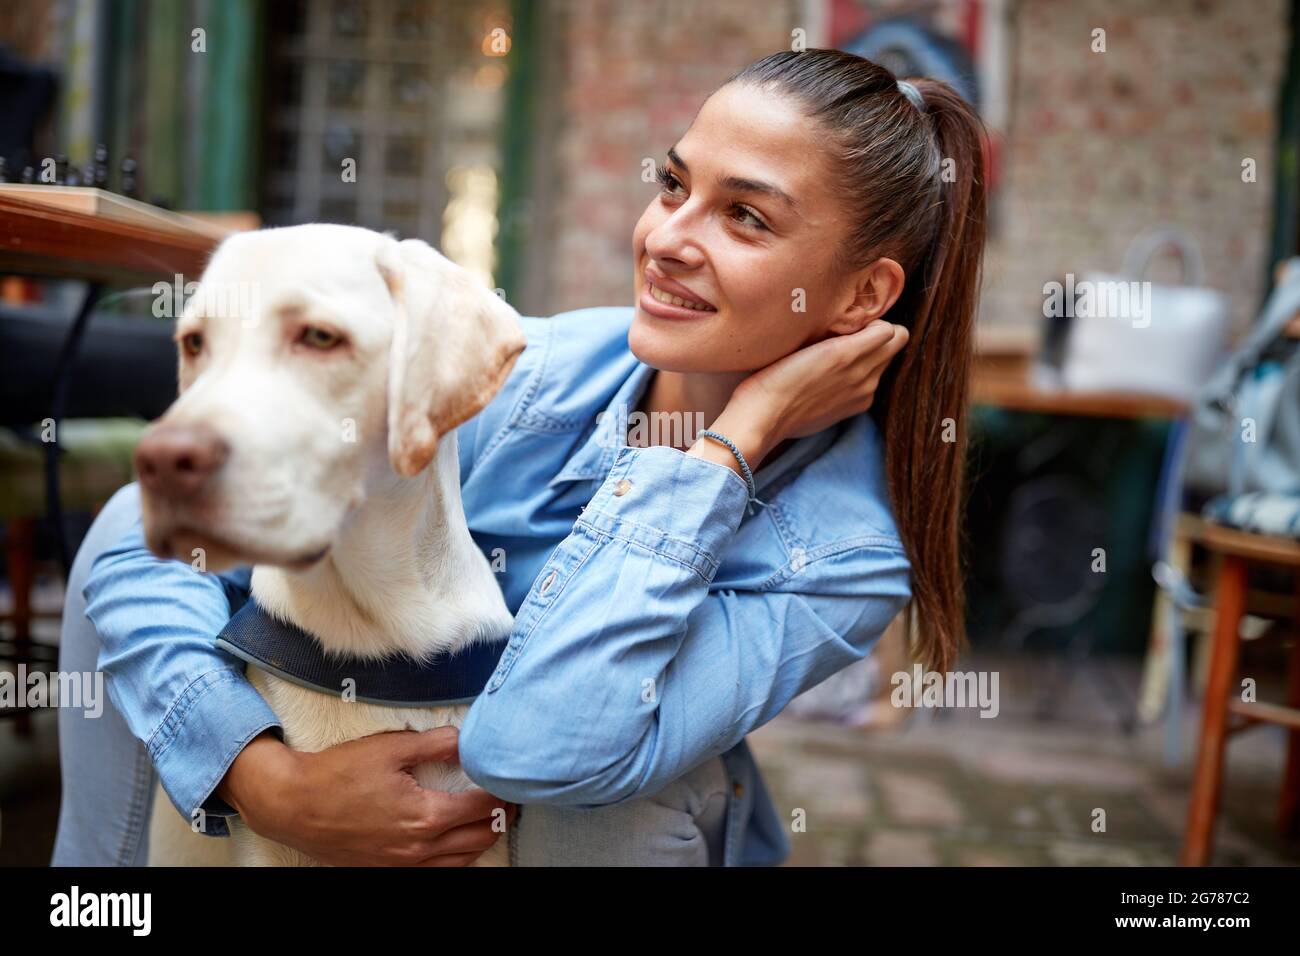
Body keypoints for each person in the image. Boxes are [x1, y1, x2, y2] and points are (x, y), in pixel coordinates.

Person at [52, 48, 985, 866]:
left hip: (599, 811)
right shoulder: (533, 369)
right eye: (672, 184)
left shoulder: (842, 558)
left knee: (598, 803)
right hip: (381, 736)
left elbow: (540, 747)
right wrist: (262, 780)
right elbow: (131, 541)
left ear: (865, 296)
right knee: (133, 601)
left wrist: (725, 449)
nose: (665, 240)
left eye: (744, 217)